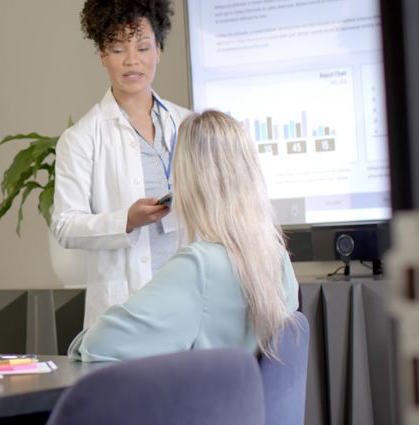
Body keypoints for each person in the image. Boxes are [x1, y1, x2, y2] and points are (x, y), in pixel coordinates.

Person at [68, 110, 299, 362]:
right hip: (252, 402)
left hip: (203, 401)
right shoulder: (278, 257)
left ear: (190, 182)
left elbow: (100, 344)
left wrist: (83, 338)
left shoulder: (199, 266)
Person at [51, 0, 191, 326]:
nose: (132, 60)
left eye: (143, 47)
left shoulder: (187, 124)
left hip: (188, 300)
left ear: (158, 51)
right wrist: (125, 221)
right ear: (102, 55)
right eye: (117, 48)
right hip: (128, 309)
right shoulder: (82, 138)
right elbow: (65, 225)